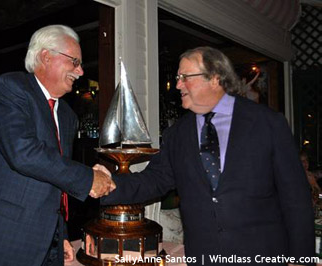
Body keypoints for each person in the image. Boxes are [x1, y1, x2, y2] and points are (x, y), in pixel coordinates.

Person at [100, 47, 315, 265]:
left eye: (185, 77)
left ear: (214, 78)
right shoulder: (177, 134)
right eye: (177, 78)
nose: (177, 85)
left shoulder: (268, 123)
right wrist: (106, 184)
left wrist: (301, 258)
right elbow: (153, 180)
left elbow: (296, 197)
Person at [0, 25, 115, 266]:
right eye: (74, 61)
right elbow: (24, 154)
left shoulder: (68, 115)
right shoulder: (11, 88)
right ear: (46, 56)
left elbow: (56, 180)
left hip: (45, 242)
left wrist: (60, 237)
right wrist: (88, 178)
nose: (80, 70)